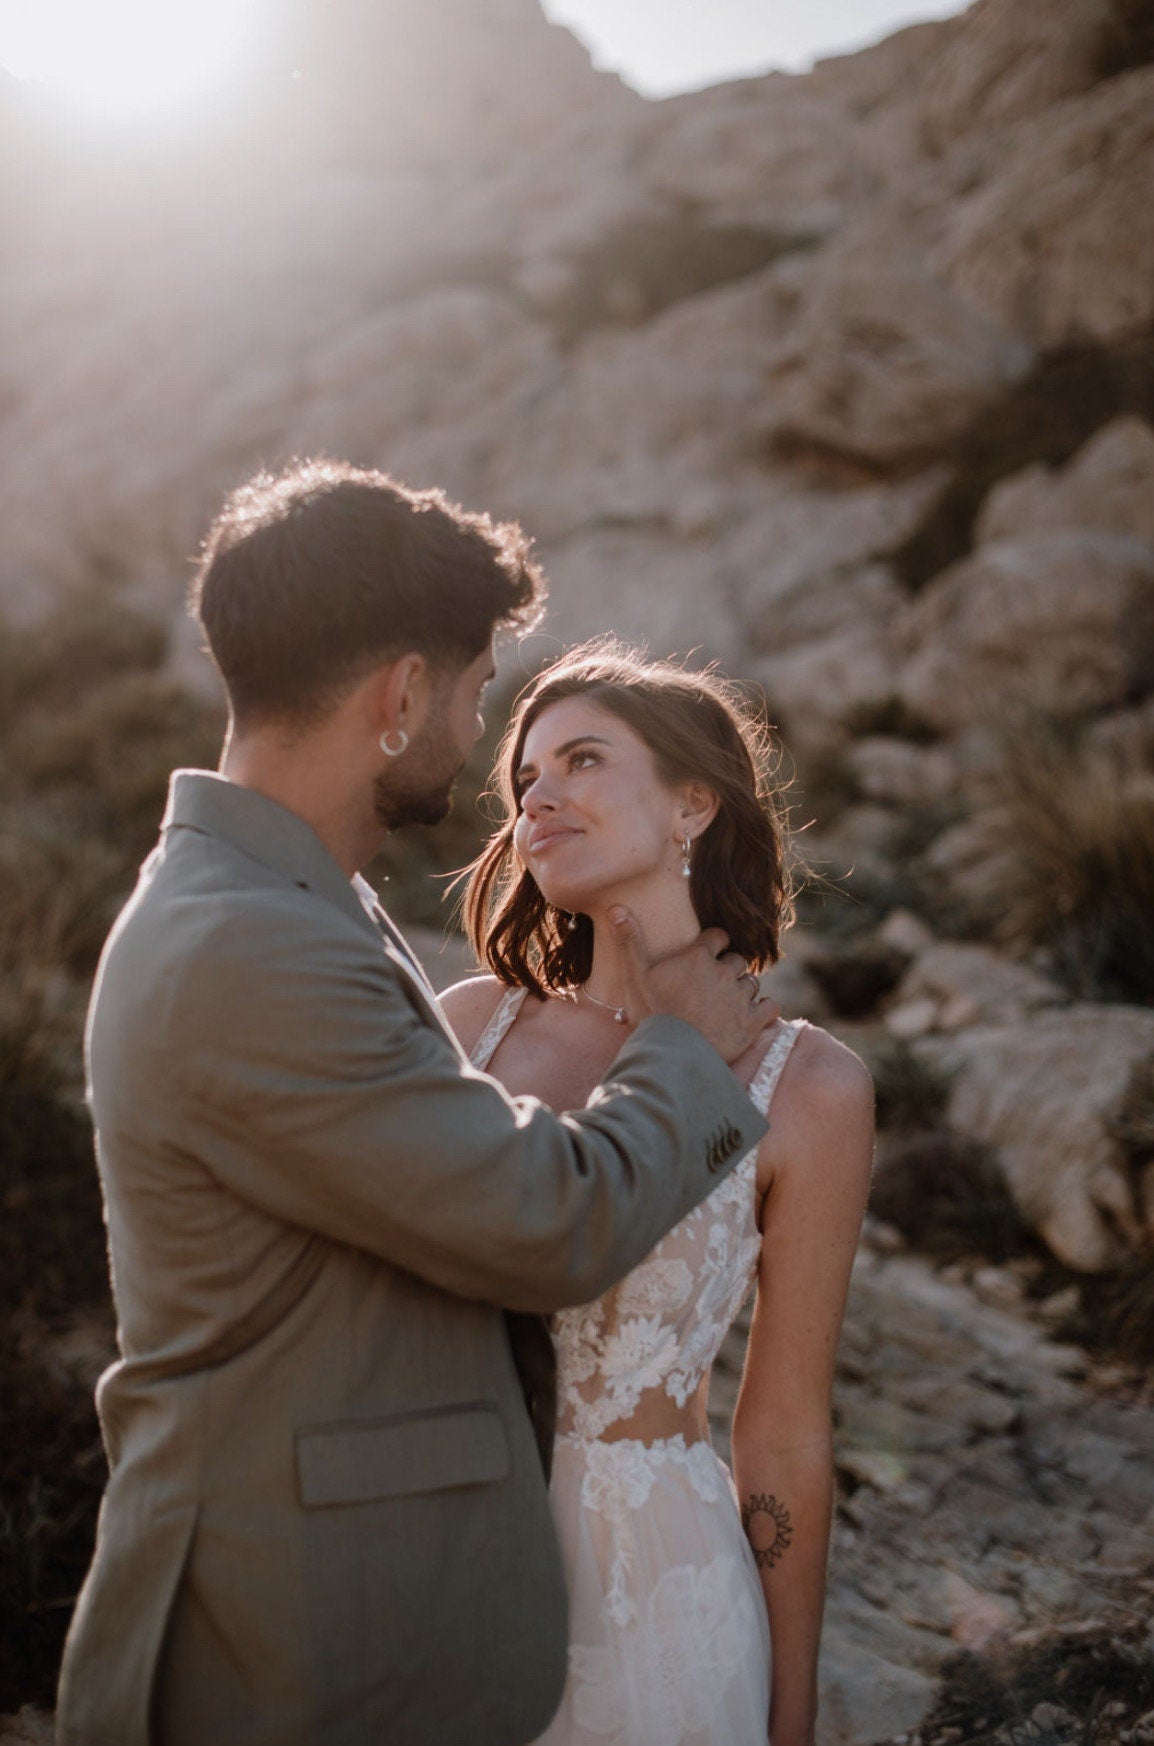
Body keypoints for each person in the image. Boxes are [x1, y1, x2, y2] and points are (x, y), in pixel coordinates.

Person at [55, 462, 781, 1746]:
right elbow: (539, 1219)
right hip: (287, 1643)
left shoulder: (290, 902)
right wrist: (679, 1048)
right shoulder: (247, 941)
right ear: (400, 694)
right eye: (476, 694)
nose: (482, 747)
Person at [443, 642, 874, 1746]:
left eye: (582, 760)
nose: (539, 795)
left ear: (693, 804)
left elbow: (783, 1429)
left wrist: (790, 1711)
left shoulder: (808, 1087)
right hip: (447, 1574)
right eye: (525, 777)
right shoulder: (463, 1032)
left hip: (665, 1604)